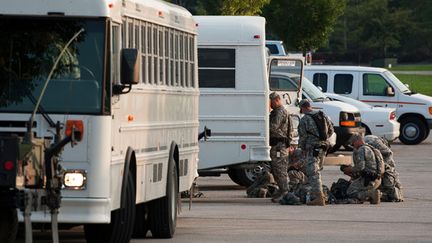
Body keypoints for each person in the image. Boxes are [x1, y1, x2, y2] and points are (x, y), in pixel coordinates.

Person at [298, 99, 334, 206]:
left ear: (303, 108)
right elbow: (331, 130)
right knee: (317, 170)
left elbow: (303, 137)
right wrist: (323, 139)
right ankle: (317, 194)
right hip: (323, 147)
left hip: (312, 148)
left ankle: (319, 197)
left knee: (313, 172)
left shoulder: (305, 119)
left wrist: (302, 149)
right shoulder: (323, 115)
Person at [342, 134, 382, 204]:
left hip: (368, 180)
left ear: (358, 140)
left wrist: (349, 169)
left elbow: (360, 167)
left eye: (353, 143)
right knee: (354, 187)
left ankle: (371, 194)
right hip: (377, 179)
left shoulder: (362, 149)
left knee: (350, 192)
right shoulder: (370, 148)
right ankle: (374, 195)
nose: (352, 146)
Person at [269, 92, 294, 202]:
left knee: (280, 169)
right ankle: (281, 189)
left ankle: (285, 191)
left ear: (277, 100)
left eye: (272, 101)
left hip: (280, 145)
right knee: (275, 168)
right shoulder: (278, 111)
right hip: (277, 145)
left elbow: (273, 127)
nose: (270, 104)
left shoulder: (279, 112)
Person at [364, 135, 403, 202]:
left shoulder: (380, 147)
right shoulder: (368, 147)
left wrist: (384, 166)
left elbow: (388, 154)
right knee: (386, 173)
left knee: (388, 174)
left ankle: (394, 193)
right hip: (371, 141)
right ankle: (393, 193)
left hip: (373, 142)